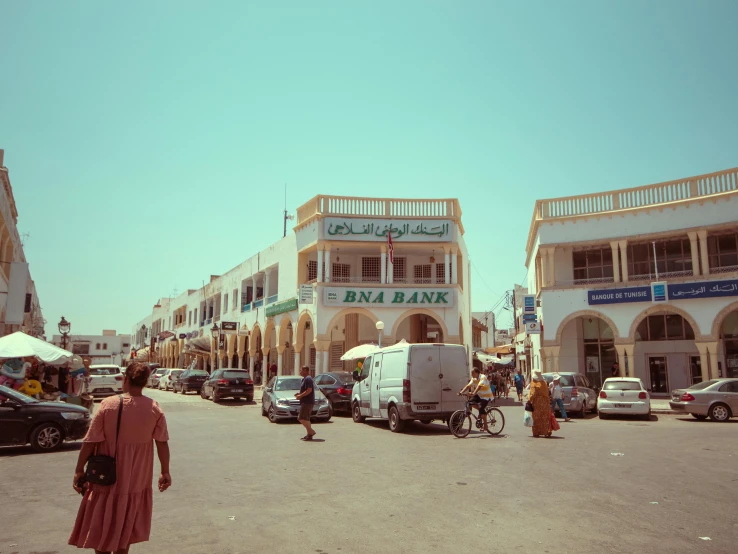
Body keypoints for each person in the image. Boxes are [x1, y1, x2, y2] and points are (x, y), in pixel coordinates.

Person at [69, 361, 171, 554]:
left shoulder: (108, 405)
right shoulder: (154, 408)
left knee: (102, 524)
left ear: (125, 380)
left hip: (107, 475)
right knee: (125, 525)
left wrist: (78, 469)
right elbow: (162, 443)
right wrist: (165, 471)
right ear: (145, 382)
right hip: (136, 476)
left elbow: (90, 441)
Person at [294, 365, 316, 441]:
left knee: (301, 418)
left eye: (301, 370)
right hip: (305, 401)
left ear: (305, 371)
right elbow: (306, 390)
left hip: (307, 402)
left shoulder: (308, 379)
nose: (300, 371)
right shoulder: (304, 379)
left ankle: (311, 431)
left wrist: (300, 396)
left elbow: (309, 390)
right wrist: (299, 394)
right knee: (306, 419)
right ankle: (309, 434)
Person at [528, 370, 552, 437]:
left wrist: (529, 399)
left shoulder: (534, 383)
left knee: (536, 418)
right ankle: (546, 431)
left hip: (537, 403)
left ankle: (536, 432)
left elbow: (533, 393)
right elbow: (547, 393)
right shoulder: (544, 383)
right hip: (545, 403)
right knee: (545, 418)